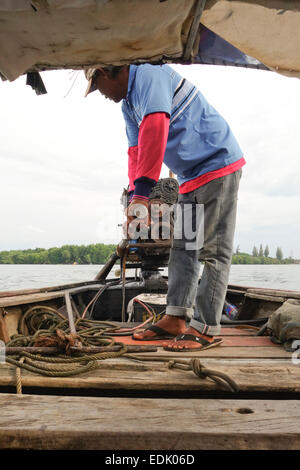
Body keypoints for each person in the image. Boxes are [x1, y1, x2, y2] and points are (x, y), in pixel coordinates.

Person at [84, 64, 245, 351]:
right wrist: (135, 195)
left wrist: (144, 196)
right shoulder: (128, 106)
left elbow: (156, 125)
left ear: (108, 71)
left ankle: (205, 329)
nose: (102, 95)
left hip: (218, 166)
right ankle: (176, 317)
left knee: (212, 251)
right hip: (190, 178)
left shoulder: (149, 74)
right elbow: (136, 150)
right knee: (184, 248)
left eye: (98, 87)